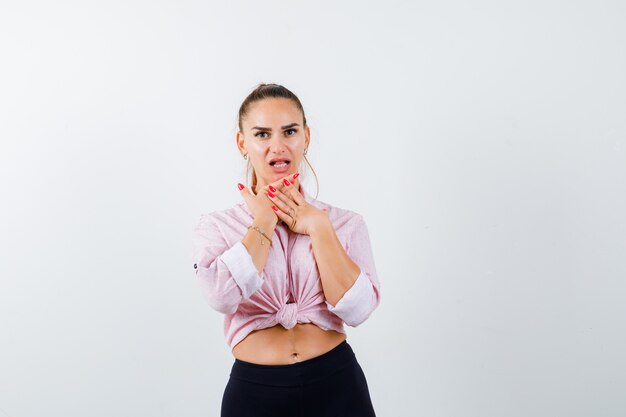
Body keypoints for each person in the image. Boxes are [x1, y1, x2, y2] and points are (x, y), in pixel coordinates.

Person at [191, 83, 381, 417]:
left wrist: (318, 226)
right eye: (262, 134)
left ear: (305, 137)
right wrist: (264, 219)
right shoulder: (217, 226)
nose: (277, 146)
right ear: (242, 143)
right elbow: (221, 296)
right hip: (255, 393)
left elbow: (359, 310)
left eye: (289, 131)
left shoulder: (343, 223)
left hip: (337, 386)